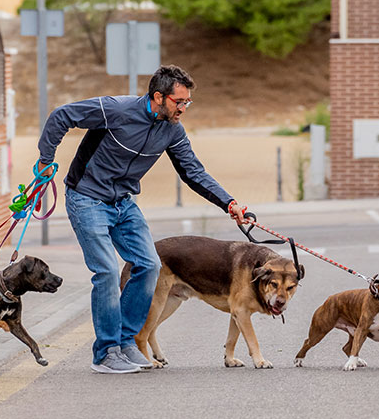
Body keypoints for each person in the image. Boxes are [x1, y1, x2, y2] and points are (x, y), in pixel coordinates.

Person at [37, 65, 246, 374]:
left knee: (149, 265)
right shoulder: (115, 110)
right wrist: (45, 159)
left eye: (188, 102)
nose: (184, 108)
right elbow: (61, 116)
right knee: (107, 271)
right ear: (159, 97)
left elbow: (193, 171)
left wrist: (227, 202)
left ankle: (126, 343)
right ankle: (105, 353)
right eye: (180, 101)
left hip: (123, 203)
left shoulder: (172, 130)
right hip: (87, 197)